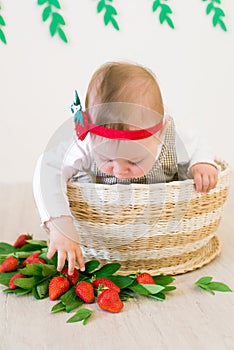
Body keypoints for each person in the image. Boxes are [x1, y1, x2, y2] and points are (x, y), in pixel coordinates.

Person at [33, 61, 218, 276]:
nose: (120, 170)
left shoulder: (170, 136)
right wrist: (59, 223)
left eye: (133, 161)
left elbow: (198, 144)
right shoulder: (86, 143)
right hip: (103, 230)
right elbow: (48, 167)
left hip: (156, 230)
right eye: (106, 159)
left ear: (160, 134)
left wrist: (202, 163)